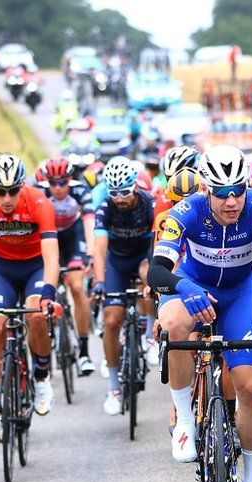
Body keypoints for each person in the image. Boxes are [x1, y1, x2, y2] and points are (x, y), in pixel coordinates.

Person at [149, 145, 252, 482]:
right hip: (194, 287)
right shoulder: (184, 212)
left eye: (237, 189)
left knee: (250, 389)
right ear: (206, 190)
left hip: (242, 294)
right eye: (221, 192)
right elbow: (156, 271)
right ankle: (186, 419)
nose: (231, 200)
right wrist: (182, 284)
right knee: (173, 325)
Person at [0, 153, 60, 441]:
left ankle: (41, 377)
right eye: (0, 191)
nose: (7, 198)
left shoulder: (40, 203)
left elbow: (52, 255)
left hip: (35, 268)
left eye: (13, 190)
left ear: (22, 186)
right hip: (2, 269)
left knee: (38, 315)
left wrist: (48, 293)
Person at [91, 157, 156, 415]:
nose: (119, 198)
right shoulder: (105, 207)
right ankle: (114, 388)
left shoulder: (149, 203)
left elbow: (157, 243)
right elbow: (99, 248)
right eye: (114, 192)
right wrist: (99, 282)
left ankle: (150, 336)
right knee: (111, 320)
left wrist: (157, 277)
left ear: (136, 187)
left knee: (148, 274)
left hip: (142, 257)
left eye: (125, 192)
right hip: (116, 262)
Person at [37, 156, 96, 375]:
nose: (58, 187)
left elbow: (89, 221)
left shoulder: (79, 191)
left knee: (77, 286)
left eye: (62, 182)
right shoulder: (39, 193)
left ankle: (83, 352)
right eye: (53, 182)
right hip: (47, 239)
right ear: (46, 181)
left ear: (70, 180)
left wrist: (90, 252)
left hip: (73, 238)